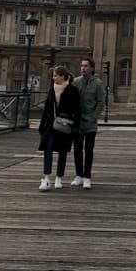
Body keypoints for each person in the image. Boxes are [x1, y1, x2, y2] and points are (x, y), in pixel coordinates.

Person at [37, 65, 80, 191]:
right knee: (48, 149)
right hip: (51, 124)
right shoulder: (52, 90)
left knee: (62, 152)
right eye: (53, 75)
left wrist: (74, 126)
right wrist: (42, 125)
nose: (53, 77)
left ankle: (59, 178)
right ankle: (46, 178)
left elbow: (77, 110)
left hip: (65, 125)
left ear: (62, 76)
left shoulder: (72, 90)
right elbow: (47, 109)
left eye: (55, 75)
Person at [71, 57, 106, 189]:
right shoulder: (76, 82)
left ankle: (87, 176)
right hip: (78, 122)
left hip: (90, 122)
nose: (83, 68)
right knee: (77, 150)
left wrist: (94, 117)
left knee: (89, 150)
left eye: (85, 66)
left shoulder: (97, 83)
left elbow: (101, 102)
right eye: (81, 66)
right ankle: (79, 175)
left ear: (91, 68)